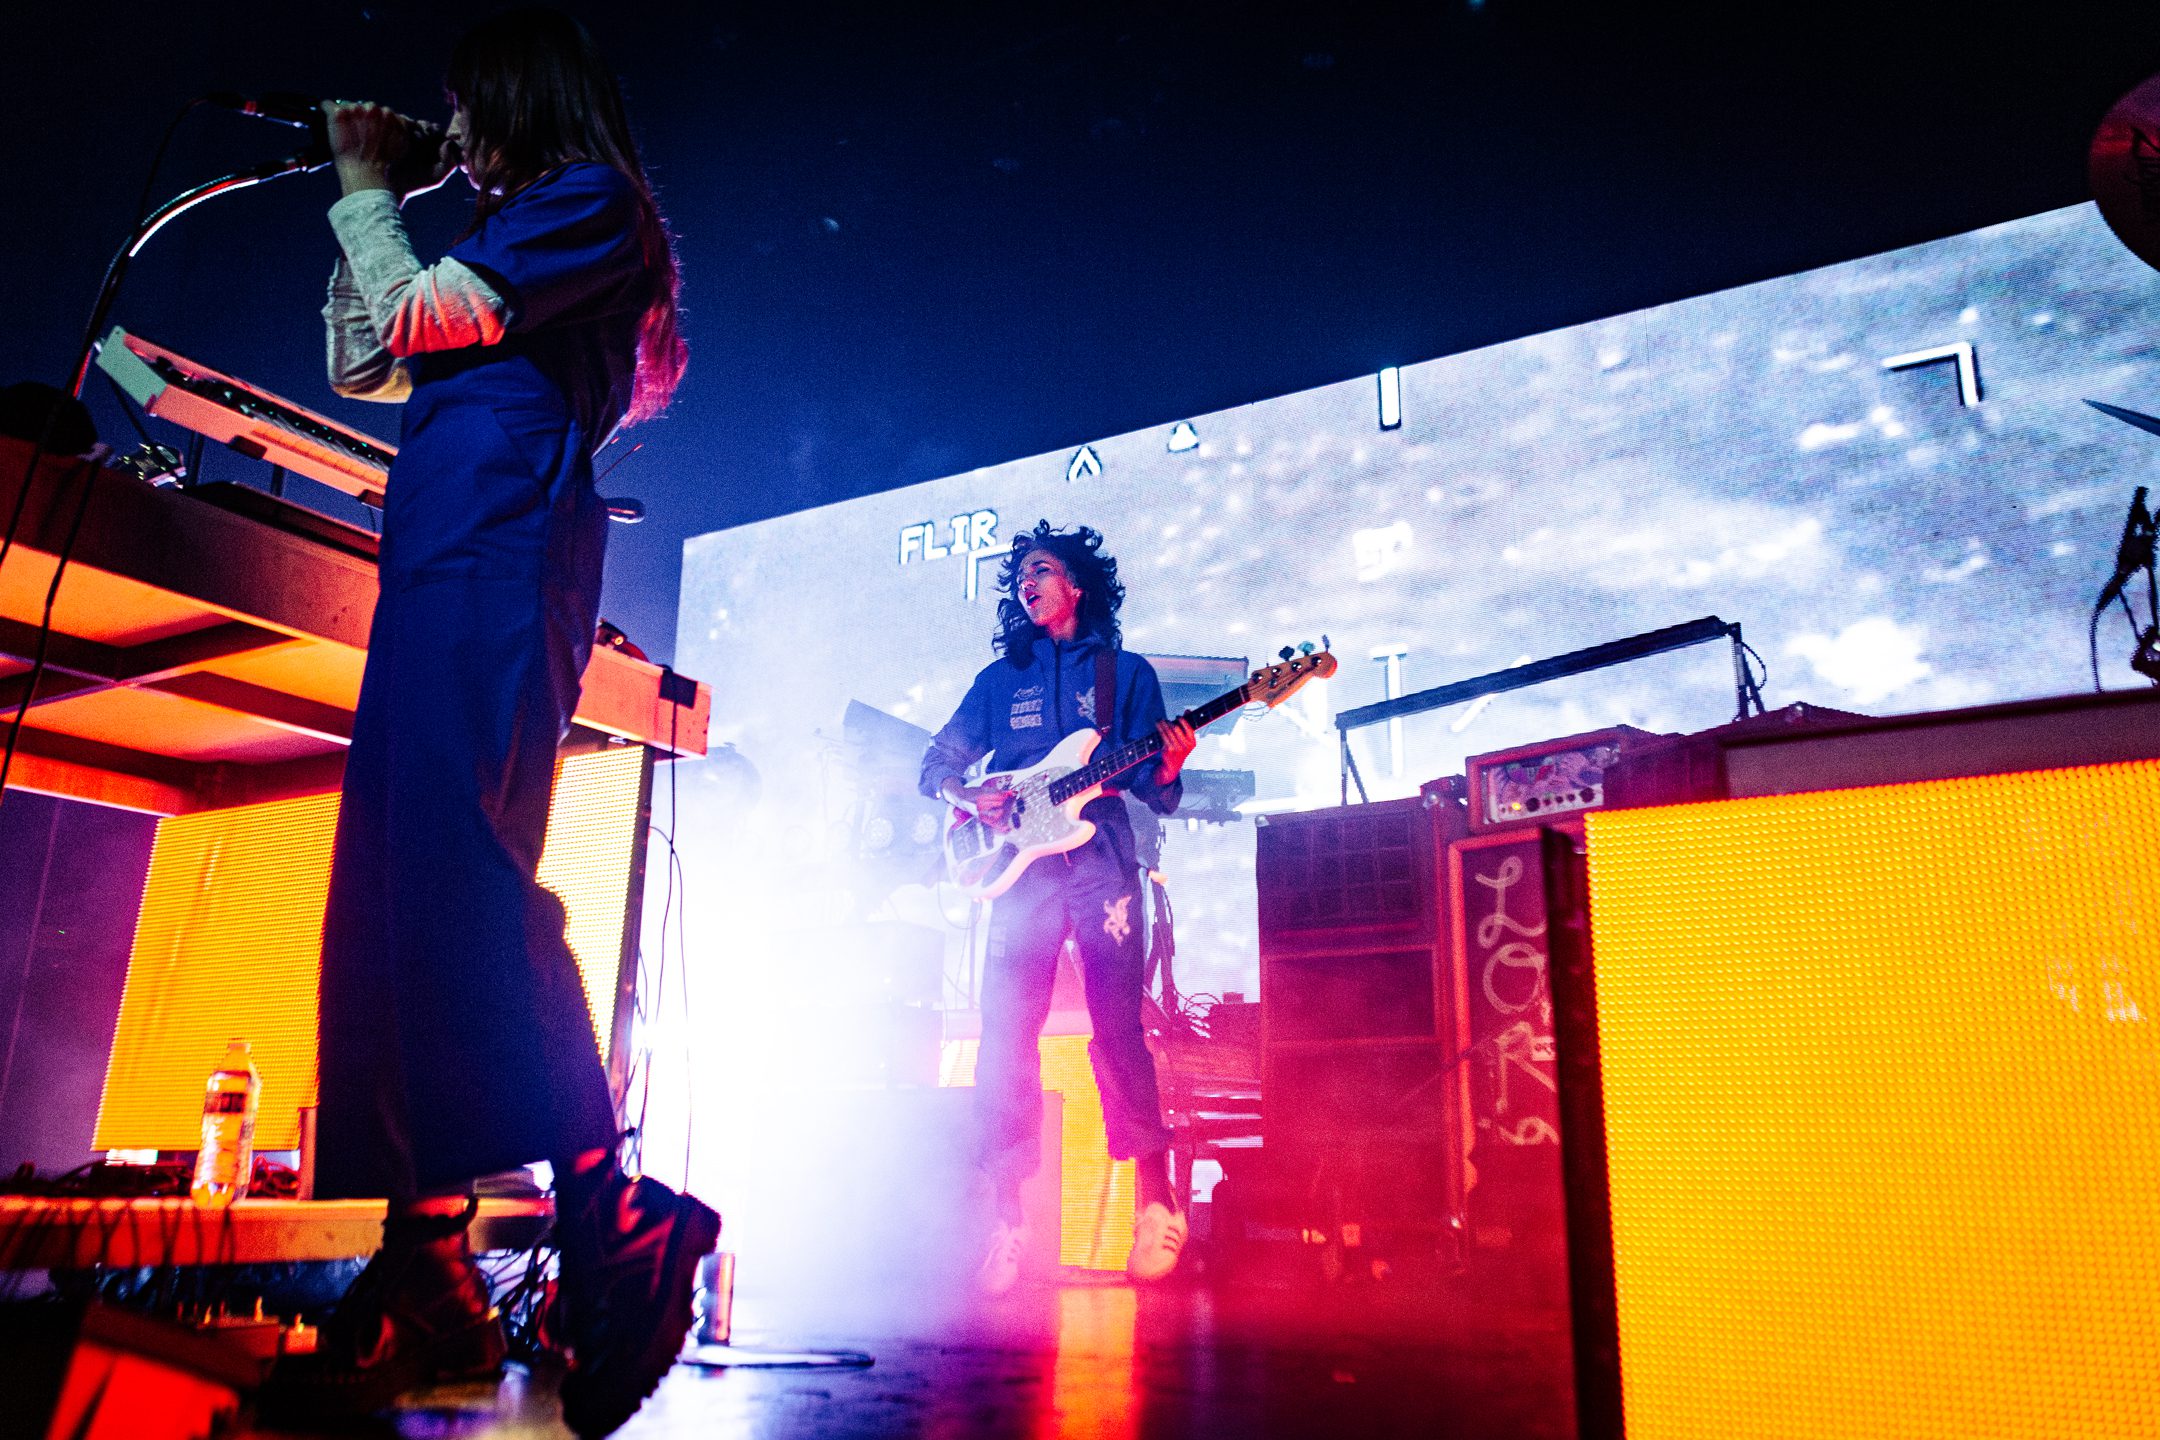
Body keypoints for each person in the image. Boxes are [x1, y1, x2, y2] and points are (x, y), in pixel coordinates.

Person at [288, 12, 716, 1437]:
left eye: (469, 107)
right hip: (440, 555)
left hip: (498, 554)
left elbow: (421, 323)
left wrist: (366, 187)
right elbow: (368, 356)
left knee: (464, 873)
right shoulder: (508, 229)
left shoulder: (592, 202)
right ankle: (427, 1260)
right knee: (393, 892)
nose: (456, 130)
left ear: (525, 99)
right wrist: (370, 196)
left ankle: (613, 1211)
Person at [919, 521, 1197, 1294]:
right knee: (1007, 1034)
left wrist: (1167, 766)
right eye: (1019, 575)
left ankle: (1155, 1203)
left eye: (1040, 570)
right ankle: (1007, 1220)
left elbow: (1151, 788)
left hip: (1101, 862)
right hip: (1022, 875)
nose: (1025, 583)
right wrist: (967, 792)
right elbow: (936, 763)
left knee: (1118, 1027)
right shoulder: (998, 679)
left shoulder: (1123, 673)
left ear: (1076, 584)